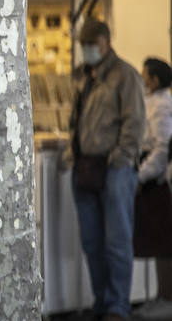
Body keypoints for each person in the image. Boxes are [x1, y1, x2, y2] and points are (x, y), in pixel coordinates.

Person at [67, 19, 145, 321]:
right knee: (92, 243)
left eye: (91, 45)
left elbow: (135, 122)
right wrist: (71, 155)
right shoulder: (84, 76)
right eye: (83, 45)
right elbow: (76, 121)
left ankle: (117, 307)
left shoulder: (125, 75)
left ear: (106, 41)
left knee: (117, 242)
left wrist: (121, 158)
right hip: (85, 168)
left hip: (115, 170)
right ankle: (102, 302)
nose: (86, 50)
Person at [134, 58, 172, 319]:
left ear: (155, 79)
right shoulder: (150, 101)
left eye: (145, 74)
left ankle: (166, 298)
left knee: (163, 245)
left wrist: (141, 175)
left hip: (154, 182)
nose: (142, 77)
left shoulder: (163, 104)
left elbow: (161, 149)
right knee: (153, 242)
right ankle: (158, 297)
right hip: (147, 178)